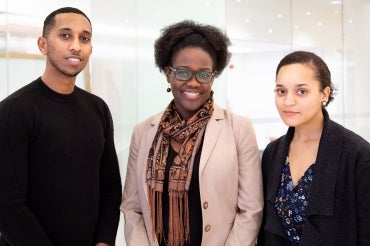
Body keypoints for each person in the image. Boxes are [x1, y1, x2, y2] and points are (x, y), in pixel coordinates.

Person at [120, 20, 263, 246]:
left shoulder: (238, 128)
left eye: (203, 74)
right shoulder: (143, 132)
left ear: (213, 76)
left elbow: (250, 210)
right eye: (183, 72)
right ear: (168, 74)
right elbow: (132, 207)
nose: (193, 83)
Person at [0, 7, 122, 246]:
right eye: (65, 35)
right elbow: (7, 204)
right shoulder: (14, 110)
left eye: (84, 38)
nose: (76, 45)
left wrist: (104, 242)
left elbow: (110, 187)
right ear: (43, 44)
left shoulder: (98, 109)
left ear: (90, 48)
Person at [257, 51, 370, 245]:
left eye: (301, 91)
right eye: (281, 91)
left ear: (324, 94)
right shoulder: (272, 153)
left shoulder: (357, 155)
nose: (288, 101)